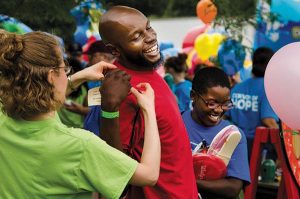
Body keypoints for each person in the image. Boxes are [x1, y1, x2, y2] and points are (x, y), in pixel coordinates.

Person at [0, 30, 161, 198]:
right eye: (65, 68)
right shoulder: (80, 146)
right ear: (50, 77)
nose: (67, 73)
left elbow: (39, 97)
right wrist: (148, 110)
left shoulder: (3, 118)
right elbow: (149, 175)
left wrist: (79, 77)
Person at [96, 5, 198, 198]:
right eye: (137, 37)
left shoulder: (147, 70)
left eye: (148, 28)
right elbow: (116, 166)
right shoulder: (123, 89)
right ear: (115, 50)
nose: (151, 37)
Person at [182, 67, 250, 199]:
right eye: (211, 103)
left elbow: (233, 187)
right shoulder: (176, 124)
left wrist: (189, 182)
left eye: (225, 104)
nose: (219, 110)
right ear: (193, 96)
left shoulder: (233, 135)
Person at [225, 47, 279, 158]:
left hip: (235, 144)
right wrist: (284, 141)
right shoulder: (268, 88)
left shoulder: (237, 88)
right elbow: (268, 119)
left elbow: (224, 115)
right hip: (259, 147)